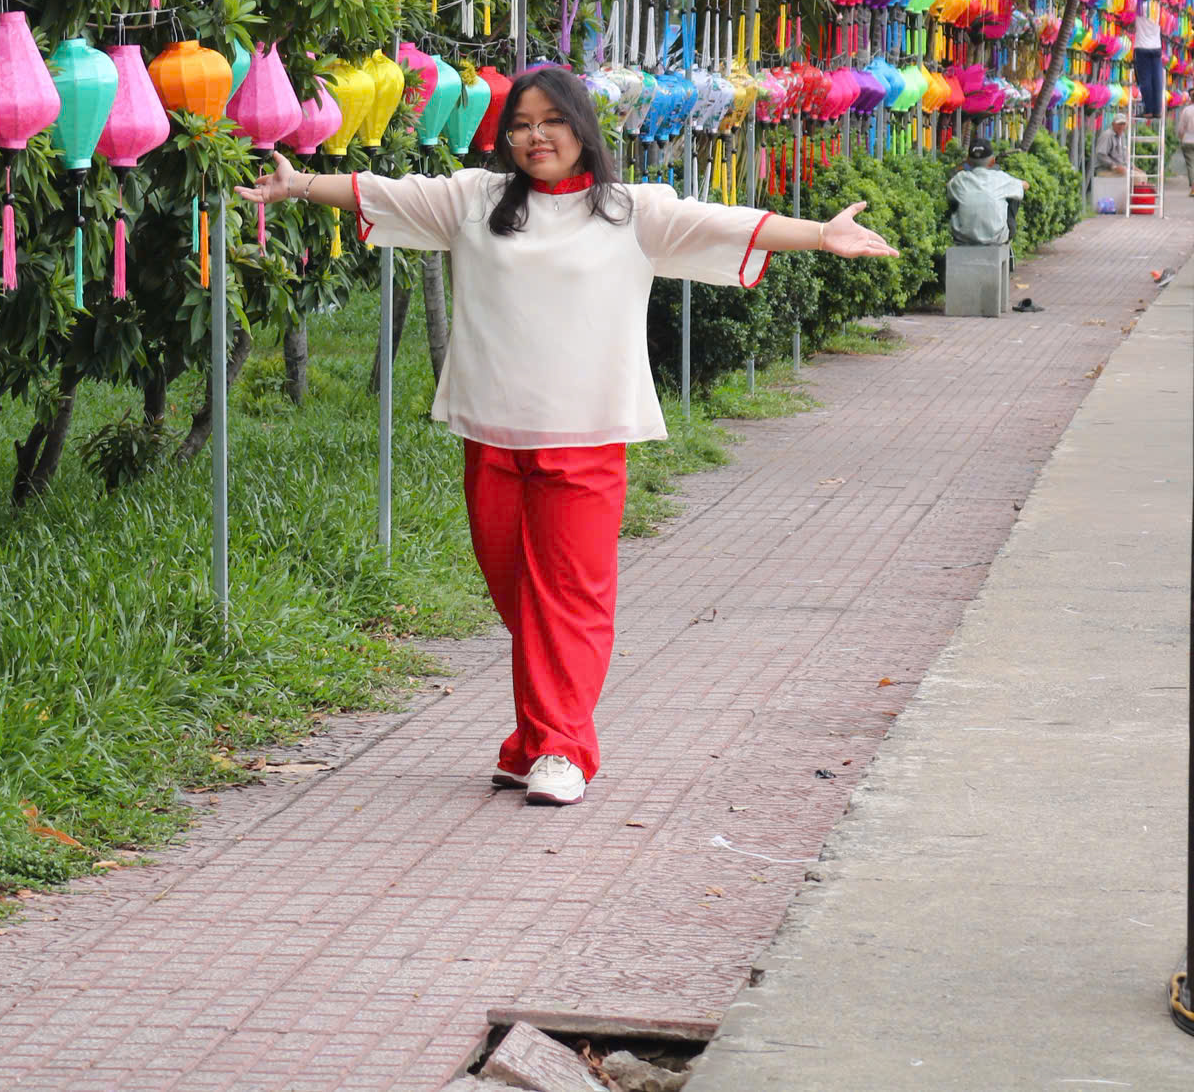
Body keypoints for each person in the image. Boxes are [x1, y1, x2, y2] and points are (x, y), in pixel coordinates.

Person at [240, 67, 896, 808]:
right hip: (492, 437)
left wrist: (822, 235)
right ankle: (530, 744)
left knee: (569, 599)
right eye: (521, 124)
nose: (536, 136)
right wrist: (297, 185)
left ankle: (563, 749)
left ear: (582, 128)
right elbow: (385, 193)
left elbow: (727, 225)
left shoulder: (631, 212)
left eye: (552, 121)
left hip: (586, 440)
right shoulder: (474, 200)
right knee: (520, 598)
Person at [945, 142, 1026, 247]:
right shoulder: (1001, 178)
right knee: (1015, 194)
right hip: (997, 238)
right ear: (992, 161)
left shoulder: (958, 179)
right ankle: (1008, 228)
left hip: (962, 238)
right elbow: (1024, 185)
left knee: (954, 197)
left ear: (968, 161)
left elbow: (948, 188)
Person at [1133, 0, 1164, 120]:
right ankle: (1157, 110)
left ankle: (1148, 110)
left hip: (1142, 47)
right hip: (1156, 46)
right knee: (1157, 79)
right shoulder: (1158, 8)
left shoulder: (1138, 6)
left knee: (1145, 80)